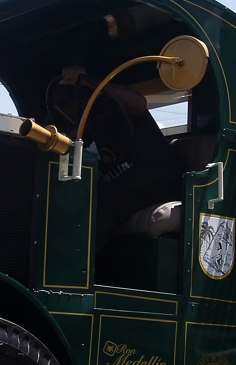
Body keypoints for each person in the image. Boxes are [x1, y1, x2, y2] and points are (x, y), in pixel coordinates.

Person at [45, 67, 184, 248]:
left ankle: (71, 264)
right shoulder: (78, 133)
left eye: (70, 105)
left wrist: (90, 82)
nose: (68, 113)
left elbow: (139, 103)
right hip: (124, 188)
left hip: (160, 178)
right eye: (62, 110)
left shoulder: (115, 109)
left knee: (101, 201)